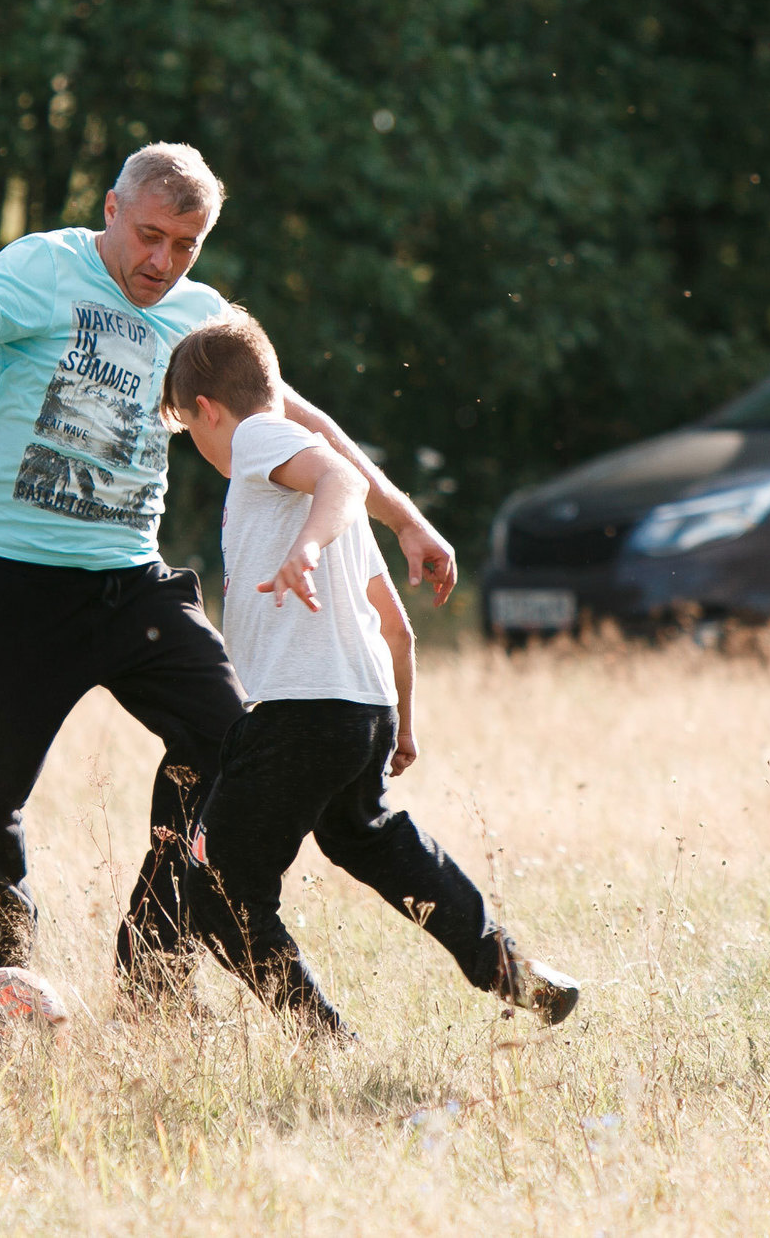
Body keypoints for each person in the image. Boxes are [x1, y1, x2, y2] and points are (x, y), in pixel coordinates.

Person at [0, 142, 456, 994]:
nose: (160, 261)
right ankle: (10, 984)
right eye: (148, 235)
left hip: (129, 579)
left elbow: (304, 423)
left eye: (183, 245)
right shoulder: (43, 267)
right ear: (112, 209)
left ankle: (155, 960)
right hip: (6, 577)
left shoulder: (199, 314)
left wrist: (407, 519)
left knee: (237, 746)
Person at [161, 313, 581, 1036]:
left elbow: (341, 475)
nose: (199, 449)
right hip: (361, 713)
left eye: (190, 432)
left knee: (219, 892)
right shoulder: (324, 505)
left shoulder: (263, 441)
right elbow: (399, 627)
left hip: (299, 712)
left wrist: (307, 549)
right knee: (376, 841)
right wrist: (402, 725)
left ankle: (326, 1040)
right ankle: (511, 968)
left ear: (209, 409)